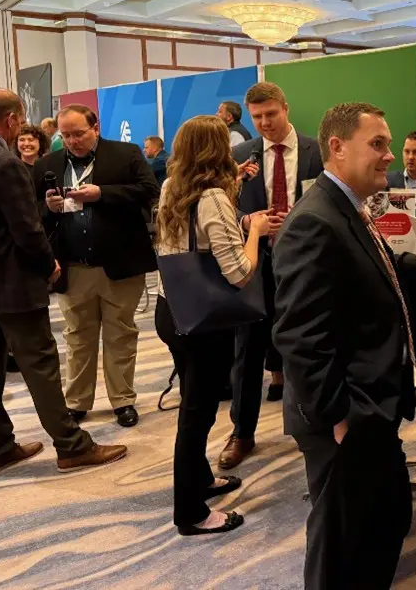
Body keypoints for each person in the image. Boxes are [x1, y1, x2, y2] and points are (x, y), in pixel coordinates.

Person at [273, 101, 416, 590]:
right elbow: (300, 338)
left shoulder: (347, 209)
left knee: (382, 521)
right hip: (343, 415)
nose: (389, 155)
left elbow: (387, 272)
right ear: (337, 147)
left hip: (369, 403)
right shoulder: (315, 222)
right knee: (344, 544)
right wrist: (339, 419)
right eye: (378, 144)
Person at [0, 89, 127, 474]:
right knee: (40, 364)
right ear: (11, 119)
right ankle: (72, 445)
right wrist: (49, 266)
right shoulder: (4, 163)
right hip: (13, 283)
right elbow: (26, 231)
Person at [155, 115, 271, 535]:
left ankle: (201, 480)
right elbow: (239, 273)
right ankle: (191, 512)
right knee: (197, 416)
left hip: (172, 311)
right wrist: (254, 230)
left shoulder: (173, 187)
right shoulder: (215, 198)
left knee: (193, 401)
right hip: (205, 323)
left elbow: (193, 235)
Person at [218, 82, 323, 470]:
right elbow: (223, 210)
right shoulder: (239, 156)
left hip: (306, 266)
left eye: (271, 115)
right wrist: (249, 221)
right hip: (255, 263)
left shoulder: (318, 151)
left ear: (286, 108)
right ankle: (241, 432)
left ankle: (313, 425)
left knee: (308, 346)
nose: (264, 123)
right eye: (257, 117)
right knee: (246, 350)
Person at [36, 105, 159, 428]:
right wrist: (47, 208)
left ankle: (123, 400)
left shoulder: (126, 154)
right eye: (66, 135)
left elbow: (149, 192)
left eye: (79, 133)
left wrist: (101, 194)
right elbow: (31, 209)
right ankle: (77, 402)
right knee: (78, 337)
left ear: (95, 127)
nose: (73, 141)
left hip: (120, 263)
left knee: (121, 335)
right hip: (73, 266)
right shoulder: (48, 163)